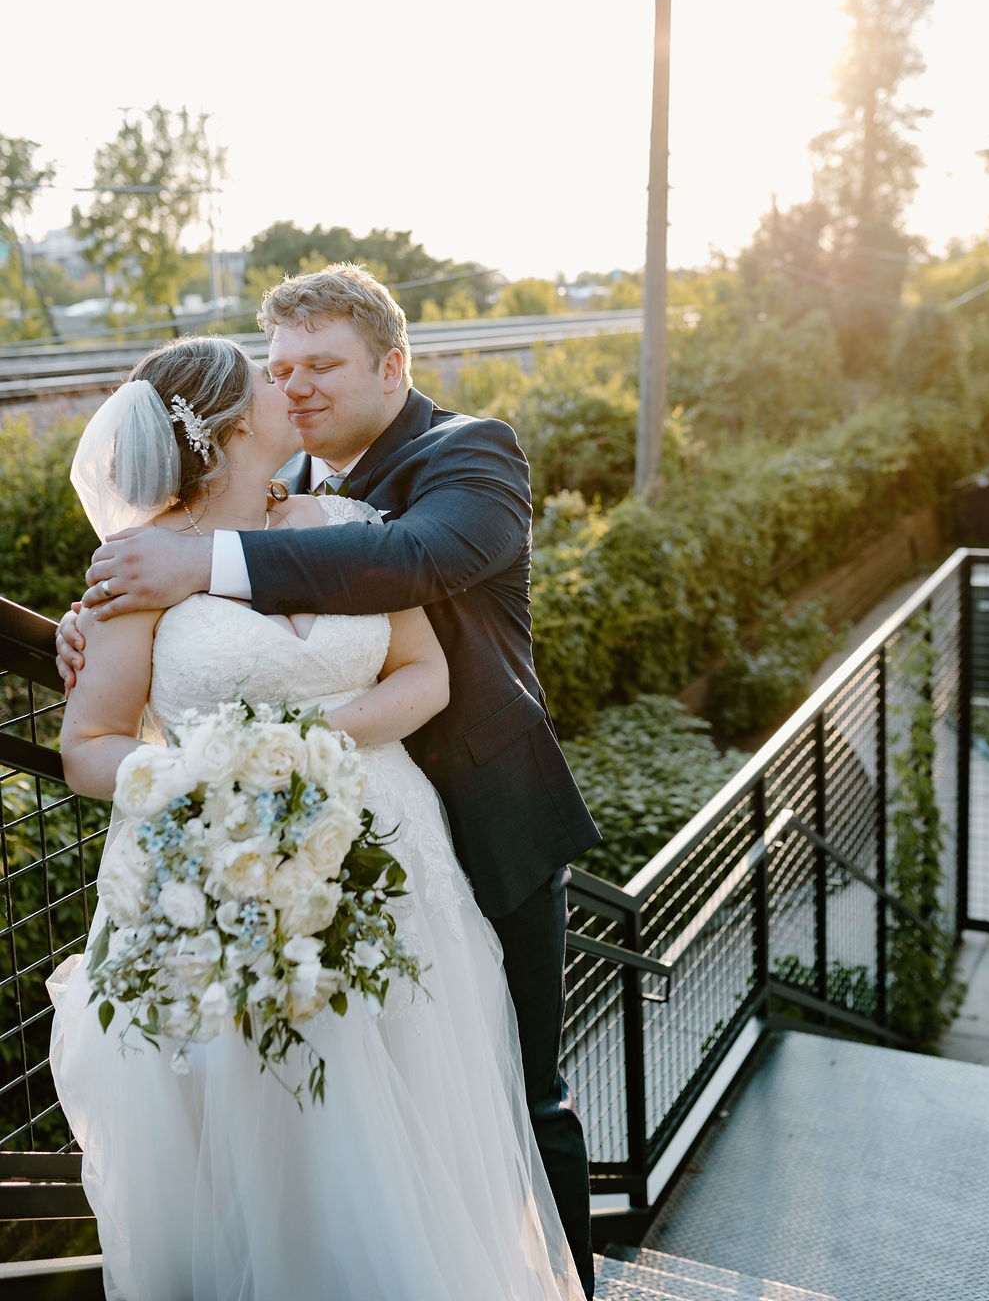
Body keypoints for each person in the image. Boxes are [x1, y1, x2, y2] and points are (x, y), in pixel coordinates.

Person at [57, 266, 600, 1297]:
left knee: (507, 1098)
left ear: (391, 367)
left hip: (476, 823)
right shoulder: (267, 487)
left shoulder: (466, 454)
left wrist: (207, 567)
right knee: (309, 1120)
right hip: (264, 847)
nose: (296, 387)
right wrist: (95, 632)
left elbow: (416, 559)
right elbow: (130, 677)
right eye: (280, 370)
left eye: (322, 367)